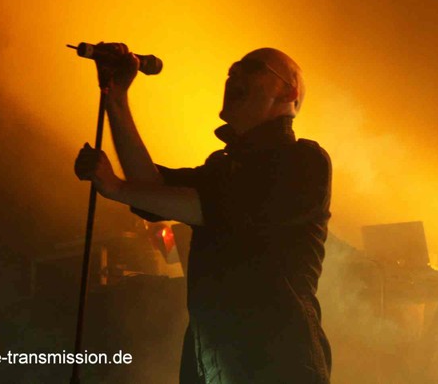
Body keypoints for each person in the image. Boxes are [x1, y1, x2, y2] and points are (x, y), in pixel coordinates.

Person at [74, 45, 332, 383]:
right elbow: (151, 189)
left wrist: (117, 188)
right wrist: (116, 97)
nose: (234, 73)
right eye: (232, 68)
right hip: (210, 362)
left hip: (278, 364)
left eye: (252, 67)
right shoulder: (222, 169)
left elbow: (216, 208)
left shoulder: (304, 162)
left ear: (289, 91)